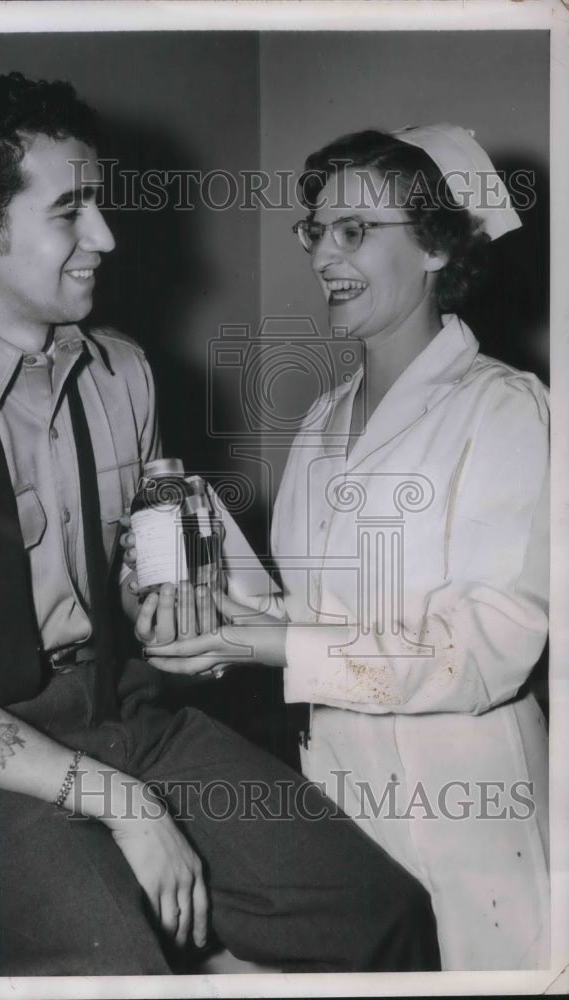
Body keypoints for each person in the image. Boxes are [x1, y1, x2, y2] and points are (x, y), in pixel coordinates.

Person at [0, 73, 441, 977]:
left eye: (99, 203)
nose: (105, 237)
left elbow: (137, 573)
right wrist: (127, 804)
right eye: (70, 212)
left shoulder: (125, 375)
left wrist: (169, 604)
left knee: (376, 912)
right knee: (118, 965)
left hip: (122, 710)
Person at [138, 125, 550, 971]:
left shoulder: (508, 411)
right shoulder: (325, 421)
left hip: (469, 813)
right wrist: (219, 611)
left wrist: (272, 640)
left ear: (435, 245)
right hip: (342, 801)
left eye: (356, 230)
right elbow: (314, 612)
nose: (324, 253)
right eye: (316, 230)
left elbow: (486, 650)